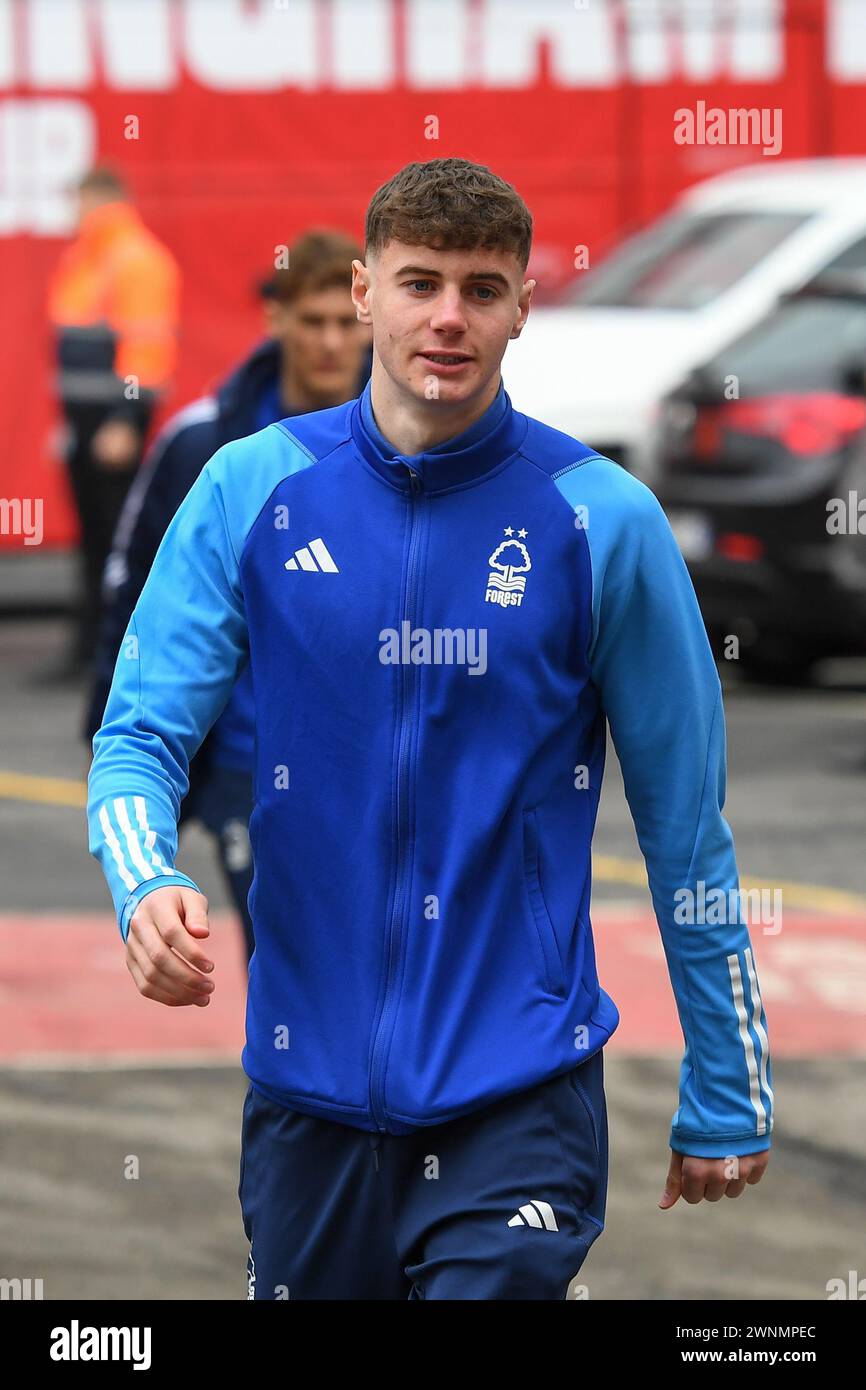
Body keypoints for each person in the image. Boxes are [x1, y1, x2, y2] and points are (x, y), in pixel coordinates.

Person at [87, 157, 774, 1301]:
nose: (447, 318)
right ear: (364, 293)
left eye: (480, 289)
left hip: (517, 1096)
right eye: (419, 283)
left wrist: (727, 1080)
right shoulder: (246, 489)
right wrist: (143, 879)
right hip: (305, 1096)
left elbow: (684, 829)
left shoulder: (602, 522)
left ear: (519, 307)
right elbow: (138, 738)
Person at [84, 230, 373, 963]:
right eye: (314, 322)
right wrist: (116, 732)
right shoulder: (205, 446)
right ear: (276, 320)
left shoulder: (420, 441)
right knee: (285, 960)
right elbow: (133, 585)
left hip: (377, 758)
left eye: (348, 322)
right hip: (250, 756)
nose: (333, 342)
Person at [46, 165, 180, 678]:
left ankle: (119, 650)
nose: (72, 214)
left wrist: (125, 418)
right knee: (93, 538)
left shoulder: (134, 260)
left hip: (111, 426)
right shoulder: (87, 258)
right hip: (86, 426)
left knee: (114, 540)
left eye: (78, 203)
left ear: (99, 200)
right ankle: (89, 649)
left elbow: (147, 348)